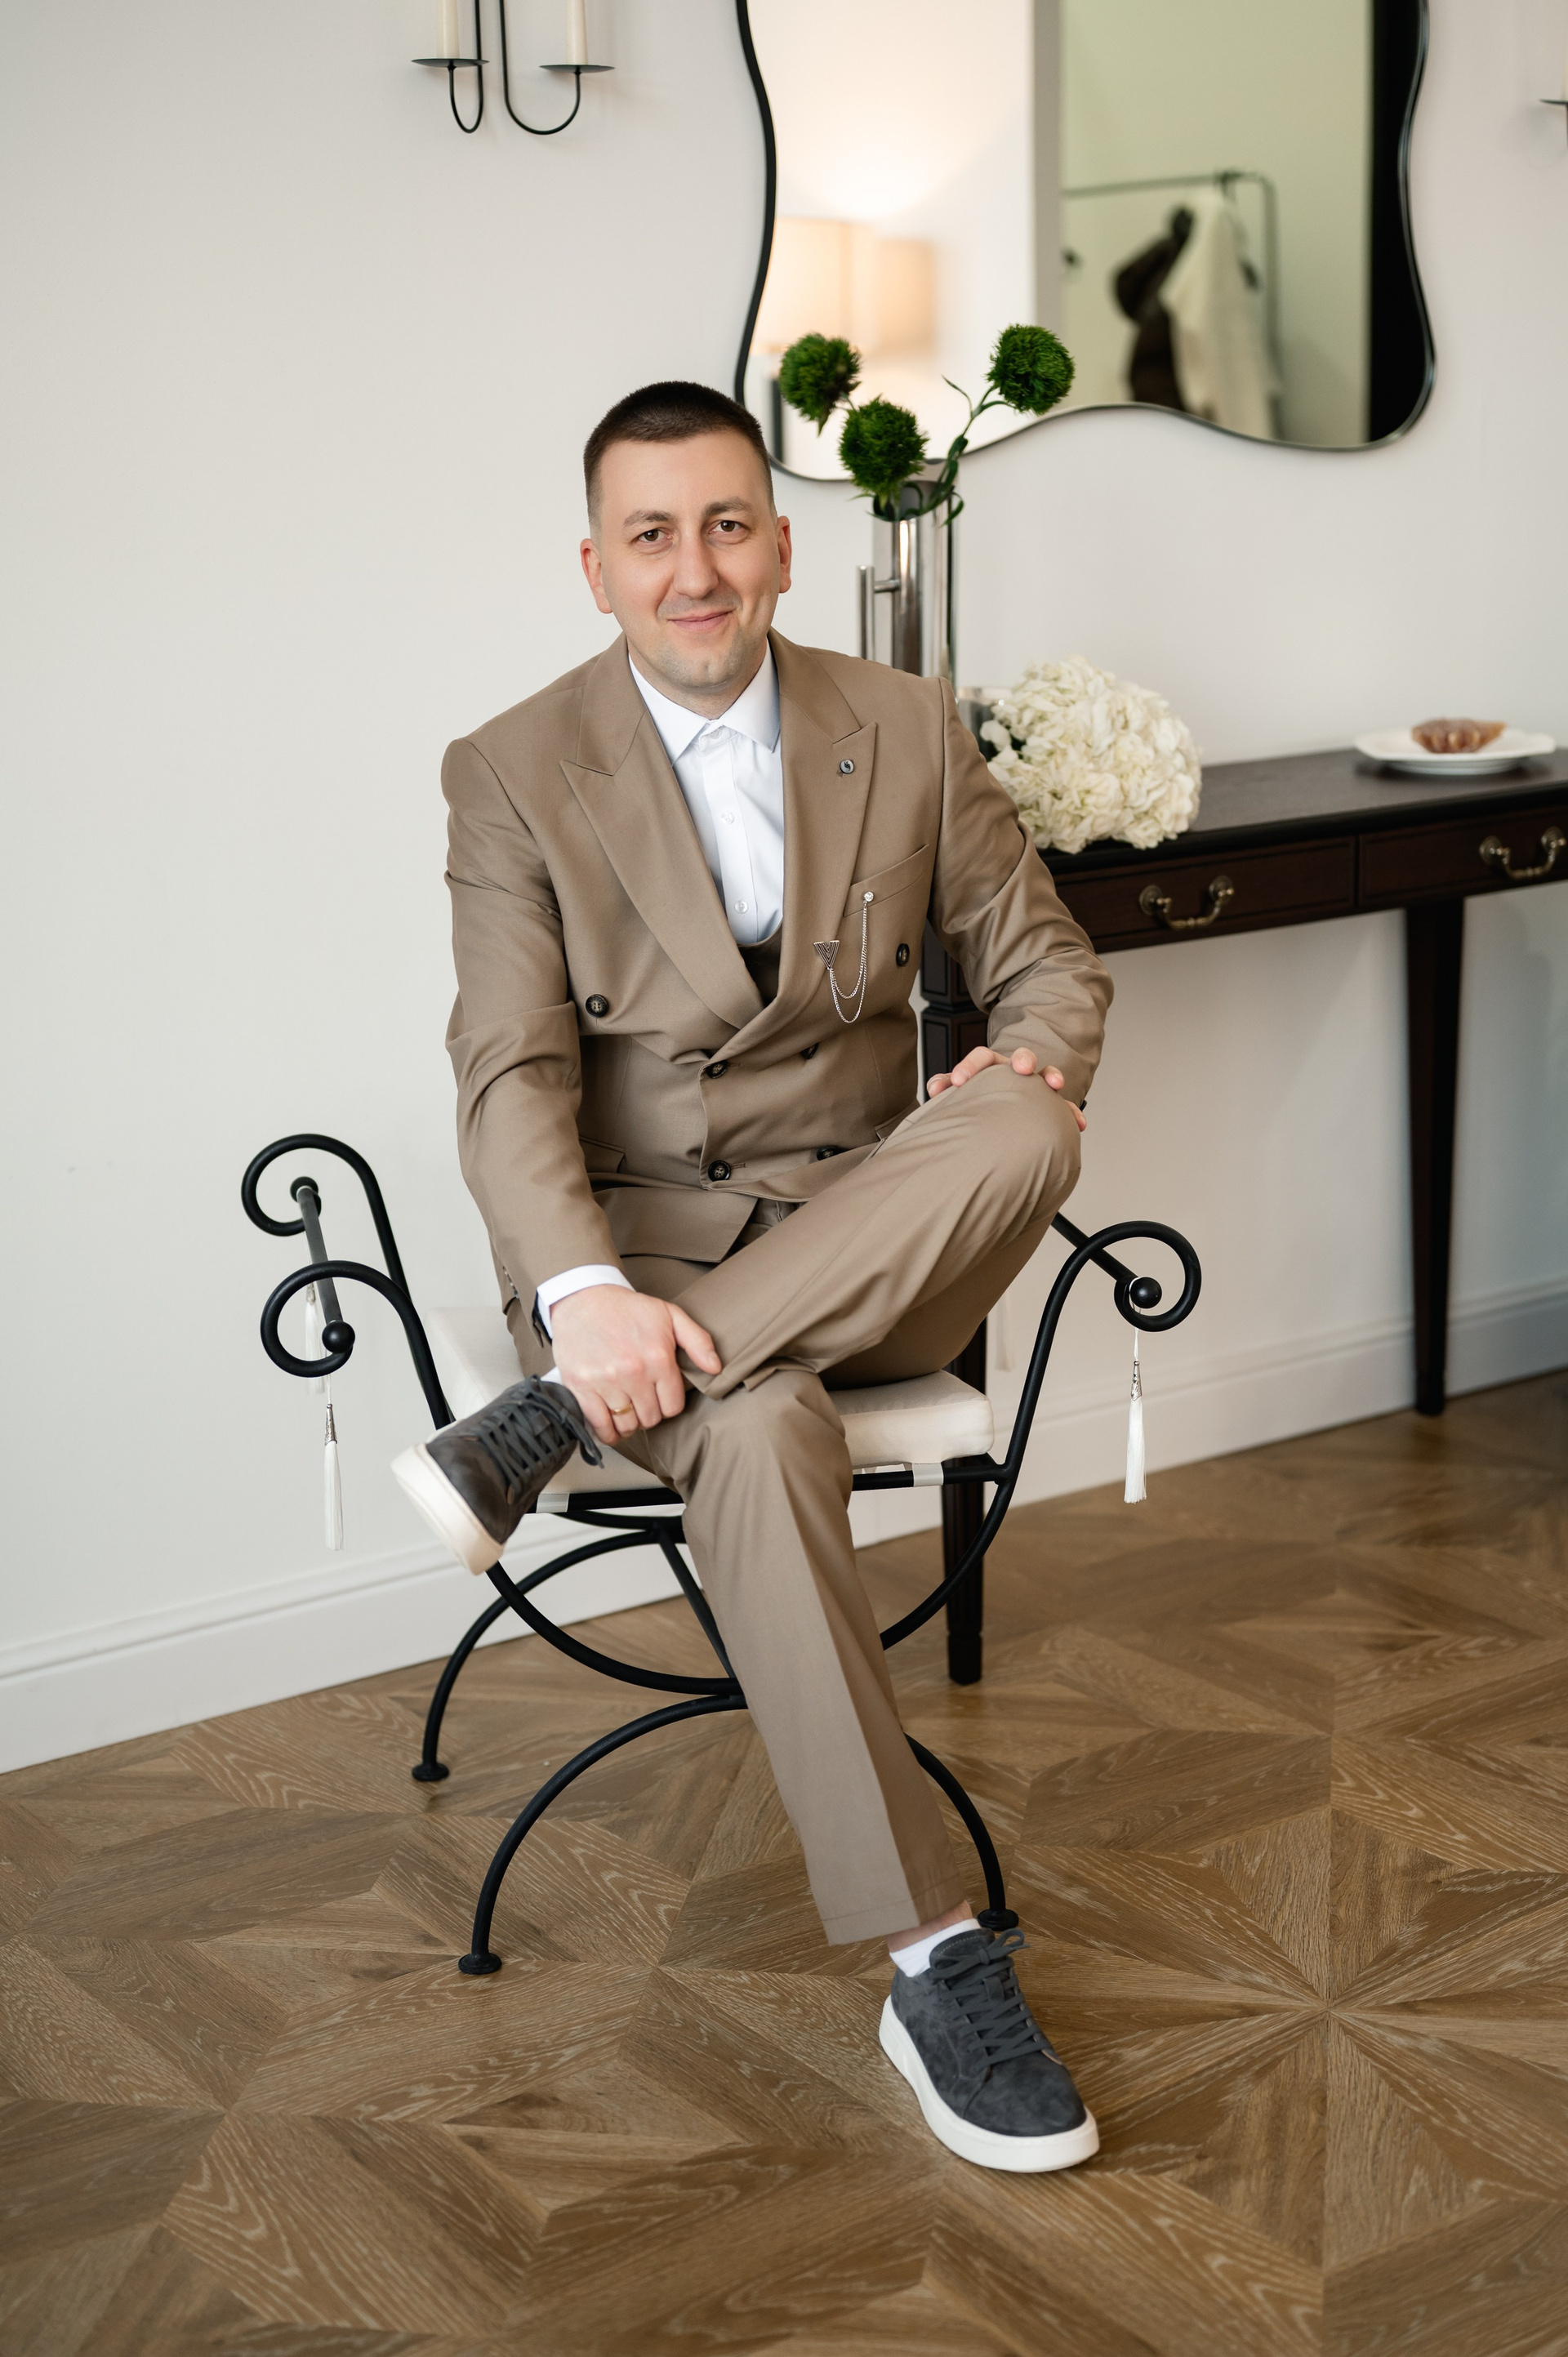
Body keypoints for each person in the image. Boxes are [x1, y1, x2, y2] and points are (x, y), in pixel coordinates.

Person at [394, 380, 1112, 2173]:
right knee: (760, 1423)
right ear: (596, 568)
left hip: (874, 1238)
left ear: (783, 545)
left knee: (1028, 1126)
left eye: (727, 525)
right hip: (633, 1274)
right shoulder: (509, 768)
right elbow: (509, 1076)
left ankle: (546, 1428)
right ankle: (936, 1960)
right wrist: (585, 1302)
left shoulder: (909, 724)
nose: (695, 569)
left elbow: (1050, 968)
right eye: (652, 536)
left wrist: (1021, 1053)